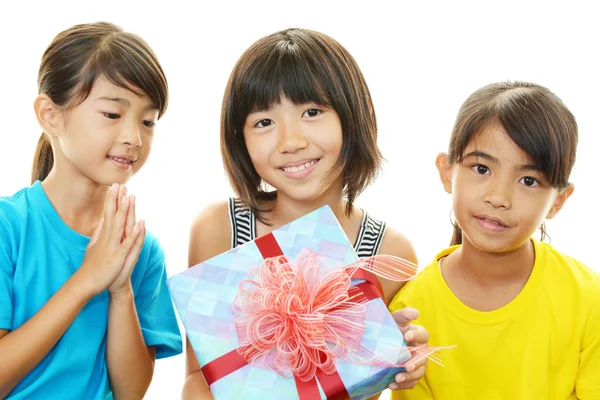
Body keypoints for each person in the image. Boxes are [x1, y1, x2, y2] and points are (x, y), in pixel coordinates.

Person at [182, 28, 429, 399]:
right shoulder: (219, 227)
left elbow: (360, 391)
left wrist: (386, 361)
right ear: (240, 138)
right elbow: (198, 380)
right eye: (264, 122)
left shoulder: (389, 251)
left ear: (353, 116)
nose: (291, 142)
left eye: (312, 112)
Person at [0, 22, 182, 399]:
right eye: (113, 115)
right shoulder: (8, 227)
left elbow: (130, 392)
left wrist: (120, 291)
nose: (134, 137)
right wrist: (87, 279)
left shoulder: (141, 249)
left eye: (148, 122)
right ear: (50, 114)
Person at [389, 81, 600, 399]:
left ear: (558, 201)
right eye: (481, 168)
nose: (499, 197)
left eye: (528, 180)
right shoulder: (412, 311)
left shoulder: (588, 300)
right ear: (447, 172)